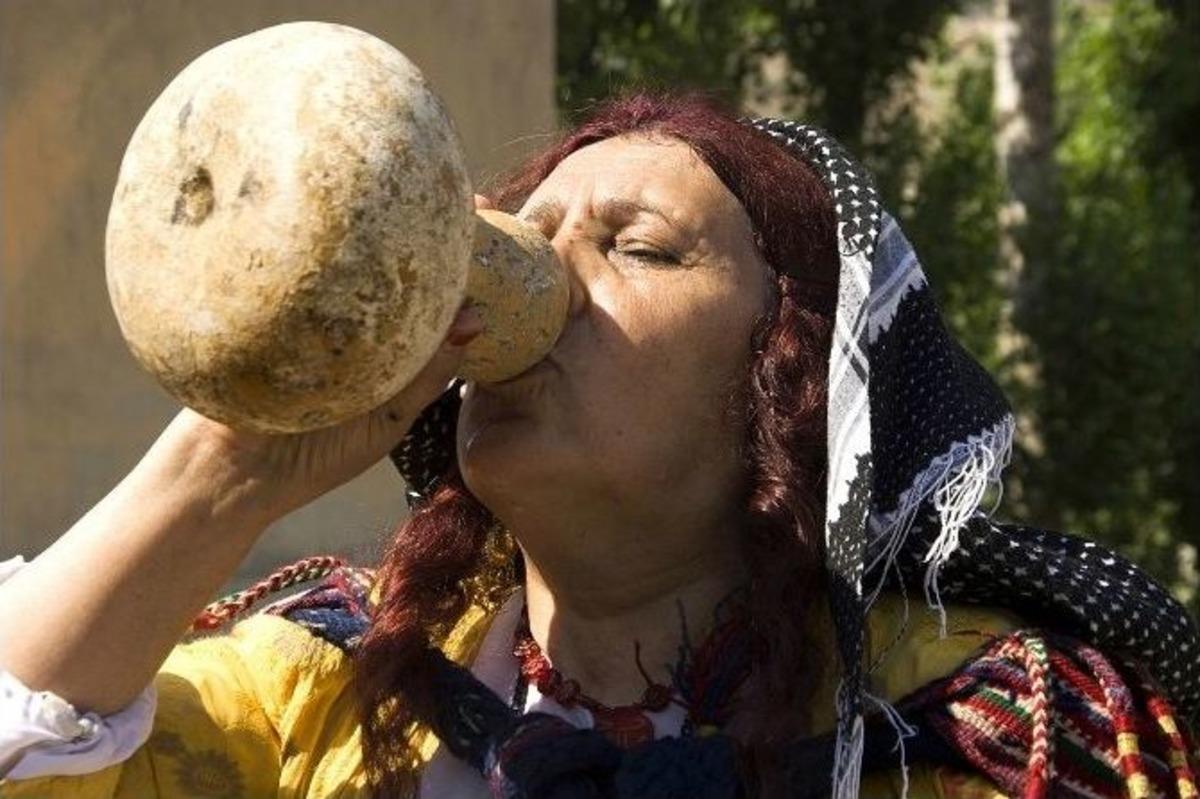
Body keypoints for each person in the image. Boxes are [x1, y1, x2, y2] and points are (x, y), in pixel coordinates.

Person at [1, 92, 1196, 799]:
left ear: (790, 373)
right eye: (519, 240)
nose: (539, 285)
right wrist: (222, 467)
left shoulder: (971, 734)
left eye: (639, 247)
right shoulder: (329, 698)